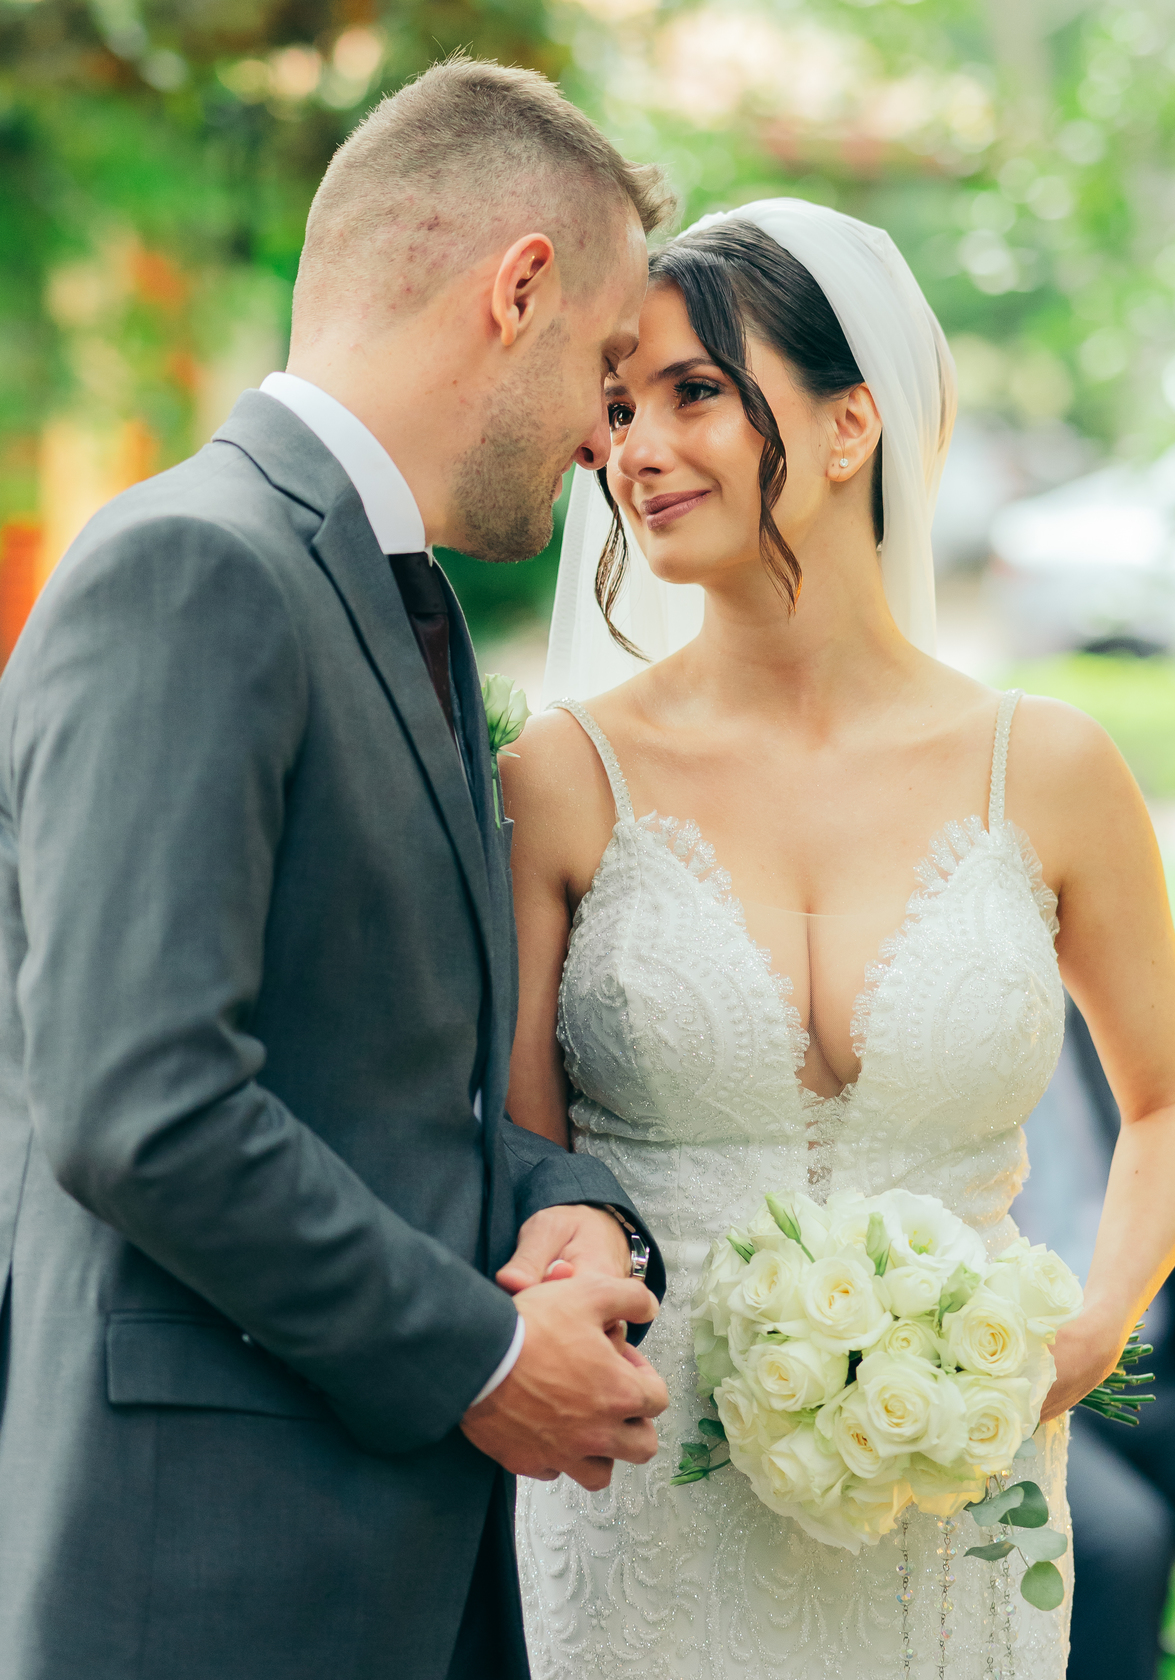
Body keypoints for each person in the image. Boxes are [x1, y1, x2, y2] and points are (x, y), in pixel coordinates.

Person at [0, 58, 676, 1680]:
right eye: (604, 363)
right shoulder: (194, 568)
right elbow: (139, 1101)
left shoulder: (396, 610)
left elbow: (389, 1079)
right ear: (517, 289)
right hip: (205, 1579)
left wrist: (574, 1213)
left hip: (385, 1582)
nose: (605, 438)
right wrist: (487, 1352)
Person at [502, 199, 1175, 1678]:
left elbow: (1174, 1101)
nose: (635, 448)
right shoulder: (563, 783)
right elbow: (514, 1153)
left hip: (954, 1487)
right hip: (643, 1497)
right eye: (619, 404)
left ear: (849, 426)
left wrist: (1078, 1339)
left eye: (697, 392)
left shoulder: (1052, 771)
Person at [1014, 1001, 1175, 1680]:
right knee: (1123, 1543)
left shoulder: (1096, 1004)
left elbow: (1174, 1117)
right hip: (1017, 1383)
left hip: (1159, 1355)